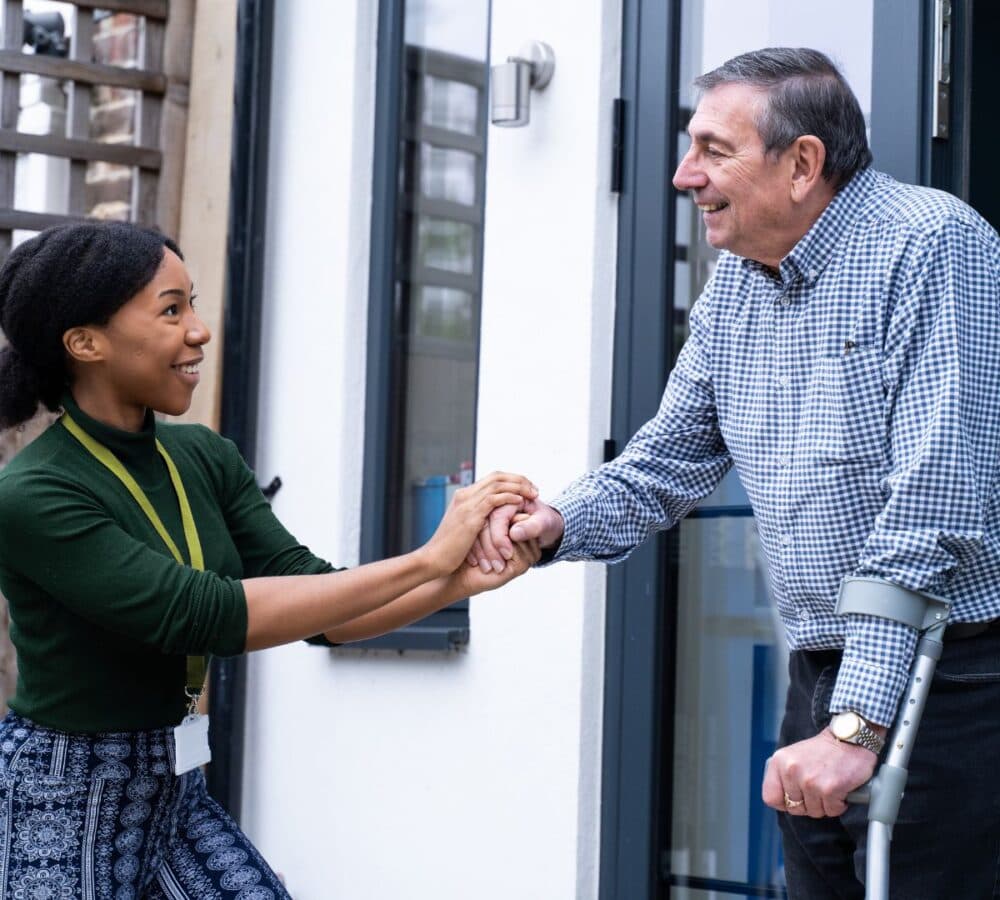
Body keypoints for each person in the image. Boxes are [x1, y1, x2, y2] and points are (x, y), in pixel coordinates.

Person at [473, 47, 1000, 898]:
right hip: (822, 669)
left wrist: (858, 725)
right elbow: (664, 460)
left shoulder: (935, 245)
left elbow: (935, 500)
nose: (685, 176)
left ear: (802, 164)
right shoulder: (736, 292)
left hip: (953, 673)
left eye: (714, 150)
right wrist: (554, 525)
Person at [0, 221, 541, 899]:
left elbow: (323, 608)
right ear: (85, 343)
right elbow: (202, 616)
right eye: (171, 310)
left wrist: (458, 581)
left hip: (173, 784)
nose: (199, 329)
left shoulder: (202, 456)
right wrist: (429, 561)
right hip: (63, 794)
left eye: (192, 303)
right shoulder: (34, 495)